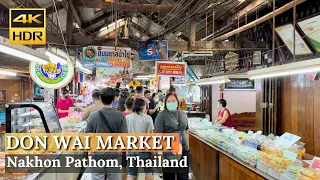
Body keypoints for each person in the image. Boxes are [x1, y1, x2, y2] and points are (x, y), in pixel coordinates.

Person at [86, 87, 128, 180]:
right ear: (114, 99)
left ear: (100, 98)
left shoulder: (93, 115)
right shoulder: (120, 115)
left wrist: (90, 153)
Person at [155, 92, 189, 180]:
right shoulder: (161, 115)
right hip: (169, 152)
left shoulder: (183, 114)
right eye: (168, 101)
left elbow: (186, 130)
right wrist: (161, 156)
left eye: (173, 101)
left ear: (177, 102)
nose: (171, 103)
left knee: (183, 177)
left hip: (184, 151)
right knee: (169, 177)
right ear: (165, 103)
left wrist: (187, 146)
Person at [126, 98, 154, 180]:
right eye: (145, 106)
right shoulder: (148, 118)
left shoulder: (127, 118)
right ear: (142, 106)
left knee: (131, 173)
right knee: (149, 172)